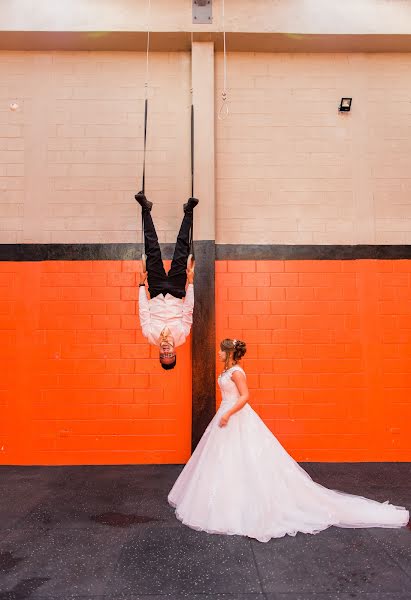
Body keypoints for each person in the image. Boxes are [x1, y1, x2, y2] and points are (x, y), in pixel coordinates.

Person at [168, 338, 410, 542]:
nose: (218, 353)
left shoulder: (237, 372)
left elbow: (245, 396)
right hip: (225, 415)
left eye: (222, 350)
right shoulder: (227, 371)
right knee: (225, 459)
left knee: (243, 456)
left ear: (229, 353)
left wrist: (229, 413)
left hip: (234, 416)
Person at [136, 191, 198, 370]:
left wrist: (142, 285)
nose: (166, 352)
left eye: (163, 355)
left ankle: (145, 209)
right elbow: (188, 310)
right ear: (174, 353)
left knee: (152, 248)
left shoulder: (149, 335)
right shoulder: (182, 335)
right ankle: (188, 212)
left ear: (159, 354)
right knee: (181, 249)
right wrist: (191, 283)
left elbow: (143, 310)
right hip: (177, 289)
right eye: (170, 355)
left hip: (155, 289)